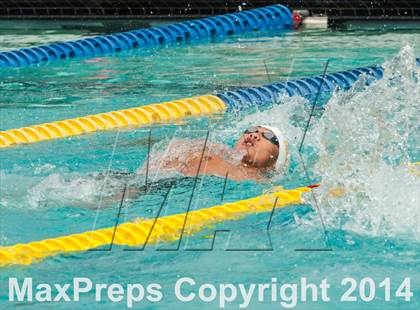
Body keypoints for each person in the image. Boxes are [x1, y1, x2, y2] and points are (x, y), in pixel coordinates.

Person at [156, 125, 288, 182]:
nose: (254, 135)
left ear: (274, 163)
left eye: (269, 136)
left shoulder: (257, 183)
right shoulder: (214, 148)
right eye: (251, 129)